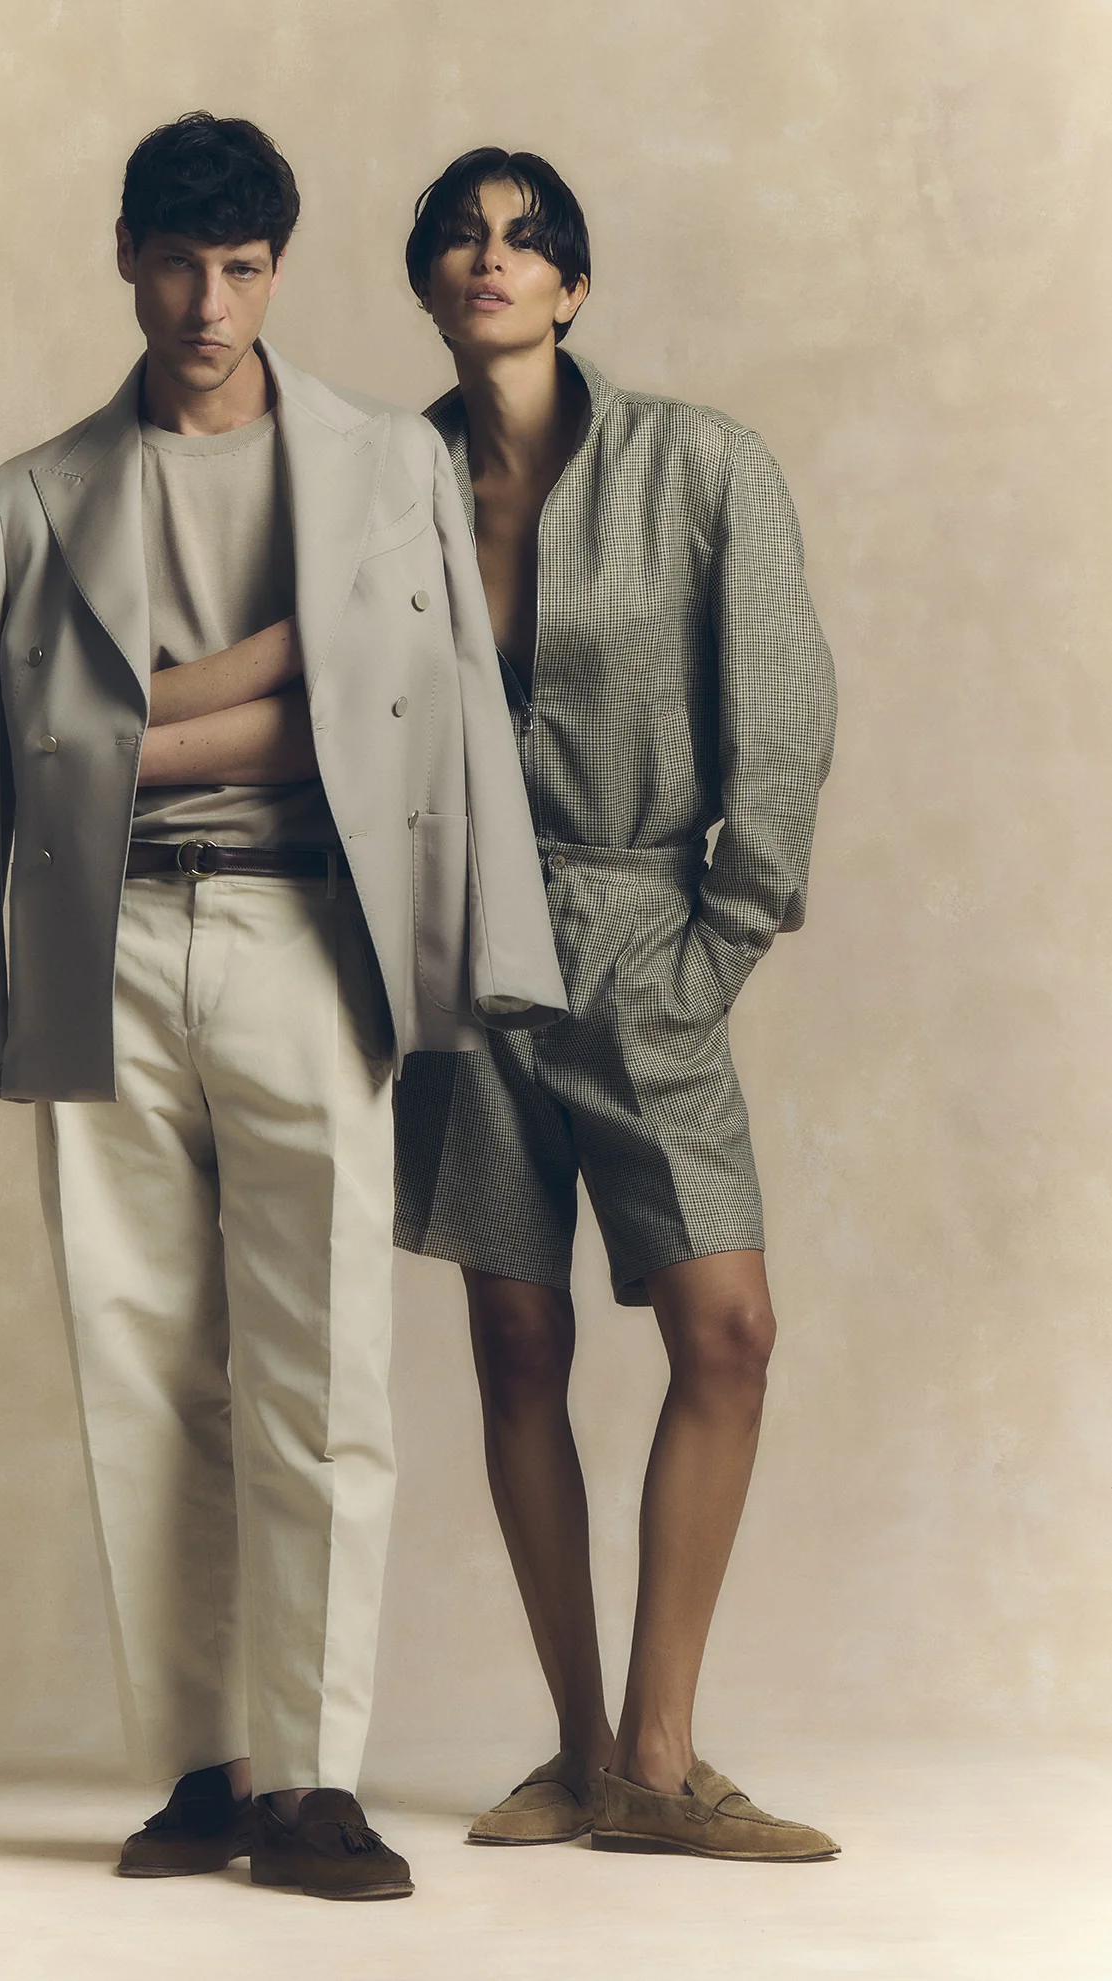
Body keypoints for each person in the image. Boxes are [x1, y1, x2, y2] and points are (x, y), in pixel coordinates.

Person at [0, 114, 566, 1903]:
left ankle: (314, 1781)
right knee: (140, 1363)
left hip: (311, 935)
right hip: (108, 946)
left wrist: (142, 718)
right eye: (177, 264)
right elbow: (20, 768)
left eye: (240, 270)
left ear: (278, 270)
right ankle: (205, 1770)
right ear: (128, 259)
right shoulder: (38, 491)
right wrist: (287, 673)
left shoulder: (386, 462)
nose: (207, 305)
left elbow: (433, 710)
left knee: (325, 1370)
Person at [394, 148, 840, 1860]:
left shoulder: (700, 464)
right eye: (463, 236)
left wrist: (711, 949)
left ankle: (661, 1759)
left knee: (726, 1330)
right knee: (517, 1341)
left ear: (573, 288)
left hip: (642, 928)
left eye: (528, 241)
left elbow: (782, 713)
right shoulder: (388, 488)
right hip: (464, 952)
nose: (492, 258)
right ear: (429, 284)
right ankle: (582, 1750)